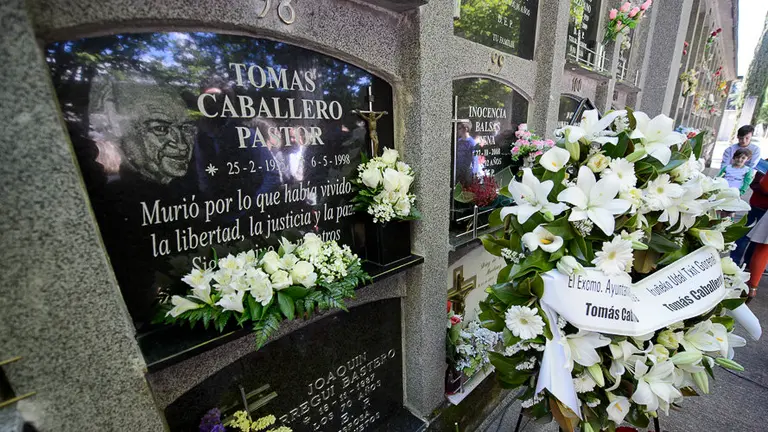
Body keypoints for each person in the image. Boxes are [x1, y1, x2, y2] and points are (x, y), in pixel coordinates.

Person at [730, 165, 768, 266]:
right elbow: (756, 184)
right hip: (759, 206)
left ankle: (750, 263)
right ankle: (734, 261)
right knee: (745, 234)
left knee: (759, 239)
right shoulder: (765, 164)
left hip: (764, 208)